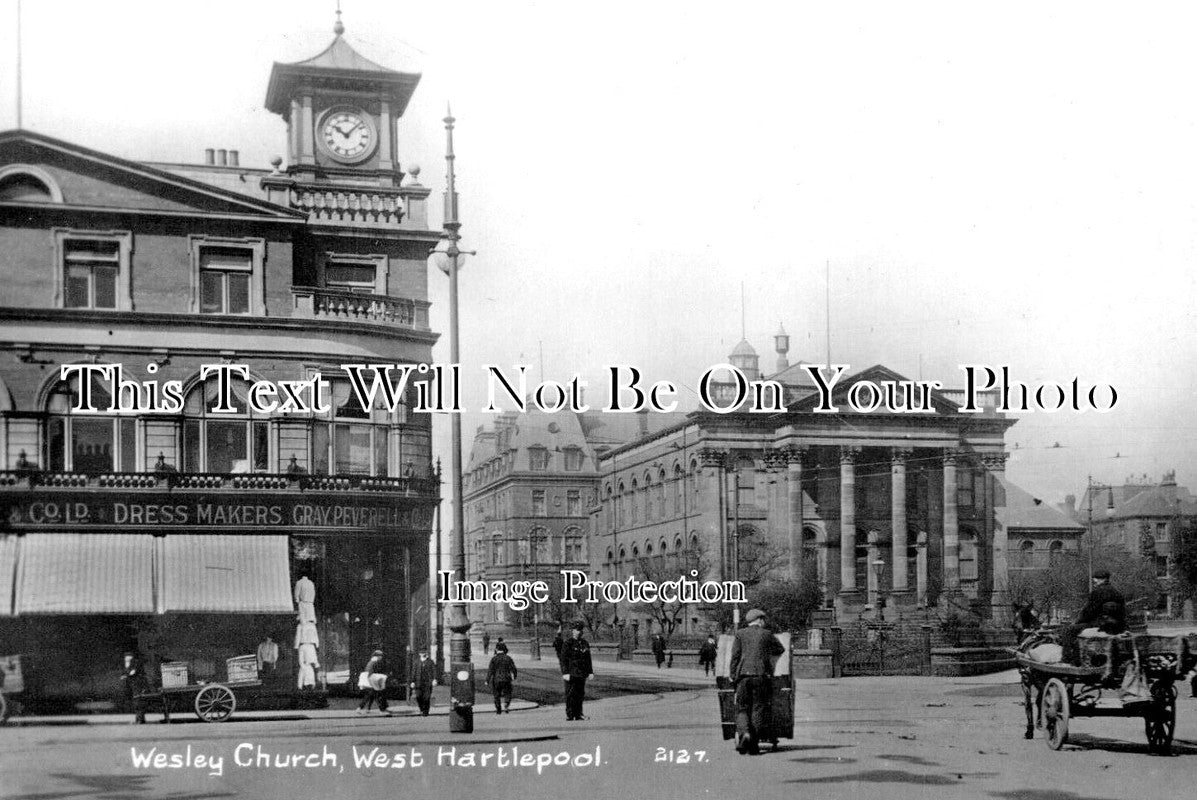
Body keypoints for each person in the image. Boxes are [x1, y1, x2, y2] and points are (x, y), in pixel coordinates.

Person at [729, 608, 784, 755]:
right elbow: (780, 649)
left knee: (742, 708)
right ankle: (753, 746)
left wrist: (733, 675)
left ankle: (744, 735)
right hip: (761, 676)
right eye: (763, 620)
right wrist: (765, 656)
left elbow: (735, 656)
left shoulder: (740, 634)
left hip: (743, 677)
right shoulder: (766, 634)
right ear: (760, 620)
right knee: (758, 709)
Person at [1061, 570, 1127, 664]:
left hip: (1100, 625)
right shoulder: (1117, 592)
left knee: (1068, 631)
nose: (1094, 581)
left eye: (1096, 579)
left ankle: (1067, 660)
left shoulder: (1097, 592)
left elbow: (1088, 612)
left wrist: (1077, 622)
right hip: (1117, 627)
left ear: (1101, 580)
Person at [122, 651, 170, 725]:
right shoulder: (129, 663)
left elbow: (132, 672)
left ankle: (140, 720)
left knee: (138, 703)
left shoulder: (134, 663)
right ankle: (139, 719)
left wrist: (126, 675)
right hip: (134, 685)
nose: (126, 659)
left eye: (128, 657)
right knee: (137, 703)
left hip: (137, 685)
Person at [558, 621, 593, 721]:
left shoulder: (584, 643)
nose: (579, 632)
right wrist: (565, 673)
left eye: (580, 630)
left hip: (581, 673)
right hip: (571, 673)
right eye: (577, 630)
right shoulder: (567, 644)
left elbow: (588, 659)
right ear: (573, 631)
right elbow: (563, 660)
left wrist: (590, 672)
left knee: (580, 694)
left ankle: (579, 714)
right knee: (570, 694)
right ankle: (570, 714)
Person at [486, 642, 518, 714]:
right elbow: (513, 669)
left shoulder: (494, 659)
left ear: (497, 649)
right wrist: (514, 676)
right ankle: (506, 703)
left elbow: (490, 670)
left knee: (496, 694)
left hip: (496, 679)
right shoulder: (508, 658)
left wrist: (487, 680)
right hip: (506, 678)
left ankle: (498, 709)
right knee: (508, 692)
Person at [357, 650, 389, 715]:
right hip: (372, 680)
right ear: (377, 656)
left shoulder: (371, 661)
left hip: (369, 679)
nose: (381, 657)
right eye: (380, 656)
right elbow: (376, 672)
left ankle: (364, 709)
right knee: (377, 695)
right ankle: (381, 710)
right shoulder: (375, 662)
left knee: (370, 695)